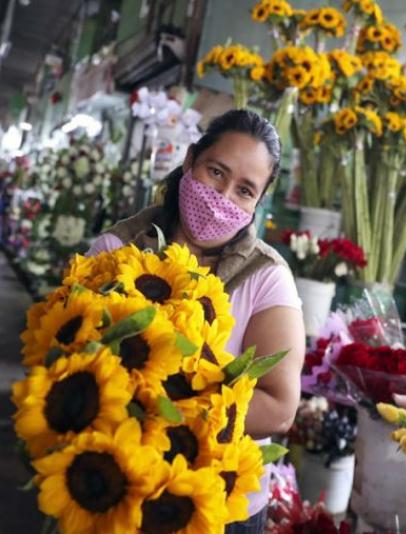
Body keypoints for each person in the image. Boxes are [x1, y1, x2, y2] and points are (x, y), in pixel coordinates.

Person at [88, 109, 305, 533]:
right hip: (117, 484)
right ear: (189, 162)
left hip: (218, 509)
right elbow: (73, 355)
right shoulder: (117, 249)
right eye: (216, 172)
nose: (223, 197)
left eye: (244, 190)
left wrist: (160, 415)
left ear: (258, 202)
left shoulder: (266, 277)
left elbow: (279, 408)